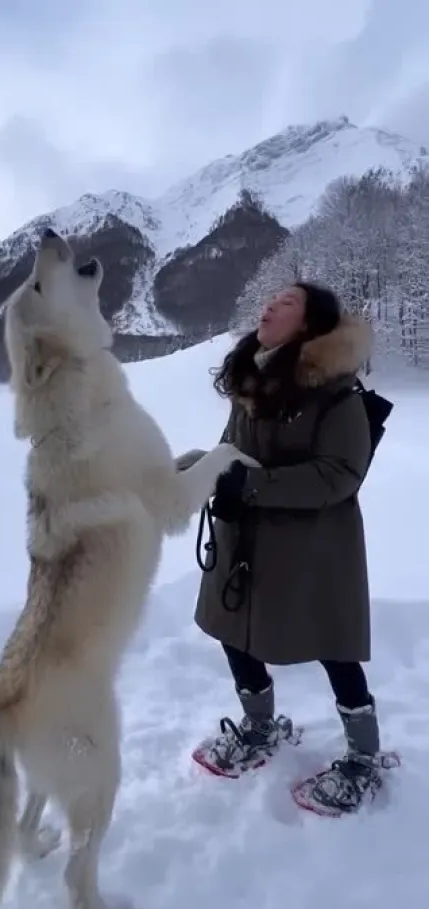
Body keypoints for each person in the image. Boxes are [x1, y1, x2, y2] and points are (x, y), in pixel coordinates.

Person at [178, 282, 399, 817]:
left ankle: (364, 757)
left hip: (313, 549)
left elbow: (339, 474)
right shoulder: (255, 377)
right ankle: (259, 728)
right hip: (245, 539)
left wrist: (249, 488)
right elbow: (235, 451)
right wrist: (188, 469)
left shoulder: (337, 392)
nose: (271, 305)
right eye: (271, 298)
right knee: (235, 629)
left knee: (333, 645)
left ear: (309, 325)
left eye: (287, 302)